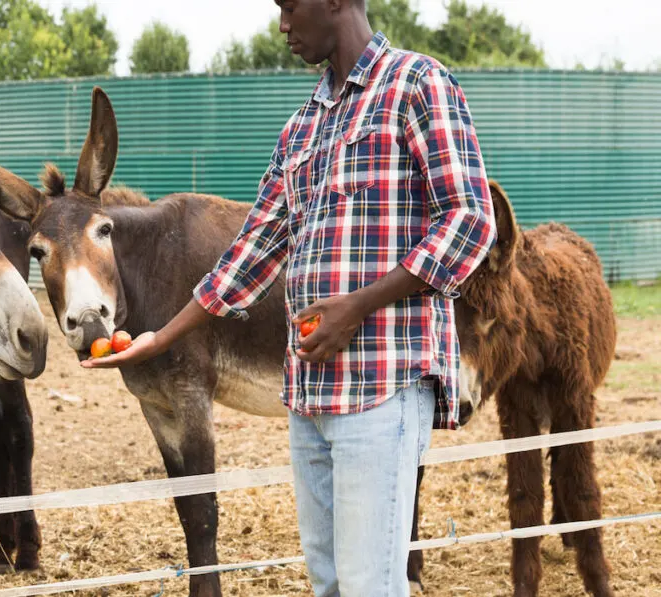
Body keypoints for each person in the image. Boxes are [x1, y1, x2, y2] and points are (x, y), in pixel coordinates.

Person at [81, 0, 497, 594]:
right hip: (309, 400)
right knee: (329, 584)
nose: (281, 25)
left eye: (289, 5)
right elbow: (252, 252)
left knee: (370, 585)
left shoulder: (419, 85)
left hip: (382, 389)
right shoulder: (302, 126)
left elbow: (470, 222)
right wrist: (160, 338)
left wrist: (360, 305)